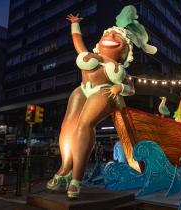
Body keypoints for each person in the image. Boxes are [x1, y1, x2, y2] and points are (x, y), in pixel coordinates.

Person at [46, 5, 157, 199]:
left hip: (104, 92)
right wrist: (75, 25)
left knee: (85, 124)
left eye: (118, 38)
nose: (112, 37)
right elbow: (77, 42)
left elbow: (131, 88)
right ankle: (65, 168)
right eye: (109, 34)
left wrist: (119, 88)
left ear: (125, 53)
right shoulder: (91, 53)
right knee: (68, 126)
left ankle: (76, 178)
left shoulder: (119, 68)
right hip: (82, 89)